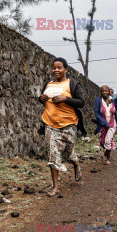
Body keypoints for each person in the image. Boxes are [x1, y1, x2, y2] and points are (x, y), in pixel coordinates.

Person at [39, 57, 85, 197]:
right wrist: (41, 99)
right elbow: (42, 98)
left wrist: (65, 99)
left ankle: (76, 164)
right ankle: (55, 187)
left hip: (69, 125)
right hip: (50, 125)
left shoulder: (72, 84)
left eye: (59, 67)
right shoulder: (49, 84)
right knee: (53, 155)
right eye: (54, 68)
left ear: (66, 69)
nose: (56, 70)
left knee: (68, 154)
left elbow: (81, 102)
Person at [94, 85, 117, 165]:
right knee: (102, 142)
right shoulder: (98, 100)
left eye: (106, 91)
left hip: (112, 124)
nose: (104, 92)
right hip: (102, 125)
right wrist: (103, 122)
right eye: (103, 91)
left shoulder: (113, 101)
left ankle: (108, 158)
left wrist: (113, 95)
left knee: (108, 140)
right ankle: (106, 151)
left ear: (109, 92)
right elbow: (97, 113)